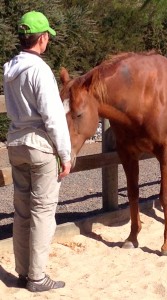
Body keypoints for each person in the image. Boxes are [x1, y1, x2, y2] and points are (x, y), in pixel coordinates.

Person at [3, 11, 71, 292]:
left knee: (22, 211)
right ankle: (37, 276)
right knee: (43, 212)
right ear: (42, 38)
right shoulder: (40, 70)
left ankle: (22, 271)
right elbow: (53, 116)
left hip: (16, 143)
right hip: (39, 147)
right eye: (47, 37)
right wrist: (65, 155)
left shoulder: (10, 69)